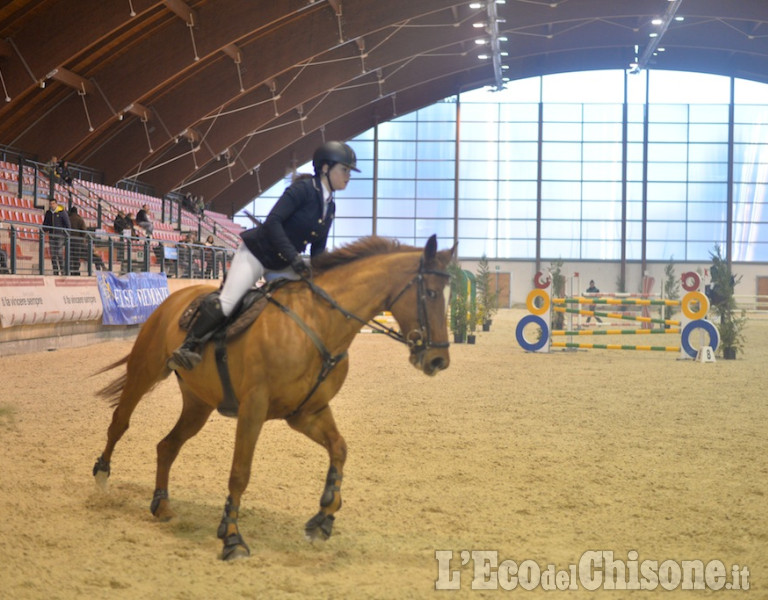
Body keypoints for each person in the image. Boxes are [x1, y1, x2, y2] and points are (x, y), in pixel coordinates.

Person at [167, 140, 359, 386]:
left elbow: (319, 247)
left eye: (349, 171)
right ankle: (189, 346)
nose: (348, 176)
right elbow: (273, 223)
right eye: (344, 169)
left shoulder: (330, 205)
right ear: (324, 168)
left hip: (284, 264)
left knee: (302, 307)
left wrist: (323, 276)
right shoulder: (301, 191)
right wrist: (295, 259)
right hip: (257, 254)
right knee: (228, 302)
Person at [42, 198, 71, 275]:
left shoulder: (62, 213)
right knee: (53, 254)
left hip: (60, 236)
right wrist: (45, 229)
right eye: (50, 204)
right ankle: (55, 270)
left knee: (59, 253)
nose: (52, 205)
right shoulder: (48, 213)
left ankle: (62, 270)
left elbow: (67, 225)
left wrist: (65, 235)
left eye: (53, 204)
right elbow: (45, 224)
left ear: (56, 204)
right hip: (51, 236)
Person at [68, 205, 87, 275]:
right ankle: (76, 270)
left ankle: (70, 270)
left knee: (70, 256)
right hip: (78, 241)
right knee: (76, 256)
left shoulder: (68, 218)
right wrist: (82, 238)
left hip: (69, 240)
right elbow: (84, 230)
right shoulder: (80, 219)